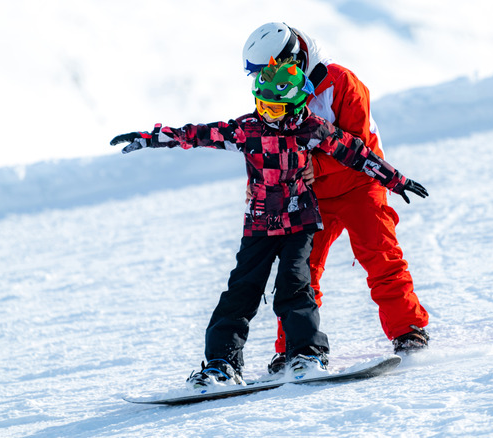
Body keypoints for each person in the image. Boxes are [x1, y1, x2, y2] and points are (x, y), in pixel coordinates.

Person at [110, 57, 428, 388]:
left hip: (299, 223)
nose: (267, 115)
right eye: (261, 105)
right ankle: (222, 363)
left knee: (295, 287)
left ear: (295, 104)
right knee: (240, 292)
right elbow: (198, 134)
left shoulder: (313, 129)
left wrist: (397, 181)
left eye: (275, 109)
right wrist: (150, 137)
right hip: (260, 225)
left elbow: (357, 153)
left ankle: (306, 354)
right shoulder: (248, 129)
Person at [243, 23, 431, 373]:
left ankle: (409, 330)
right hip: (313, 196)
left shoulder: (341, 82)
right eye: (263, 73)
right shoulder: (274, 92)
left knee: (380, 256)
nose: (270, 77)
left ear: (293, 57)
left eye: (273, 67)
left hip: (360, 185)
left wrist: (315, 164)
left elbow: (357, 143)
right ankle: (296, 348)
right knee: (298, 272)